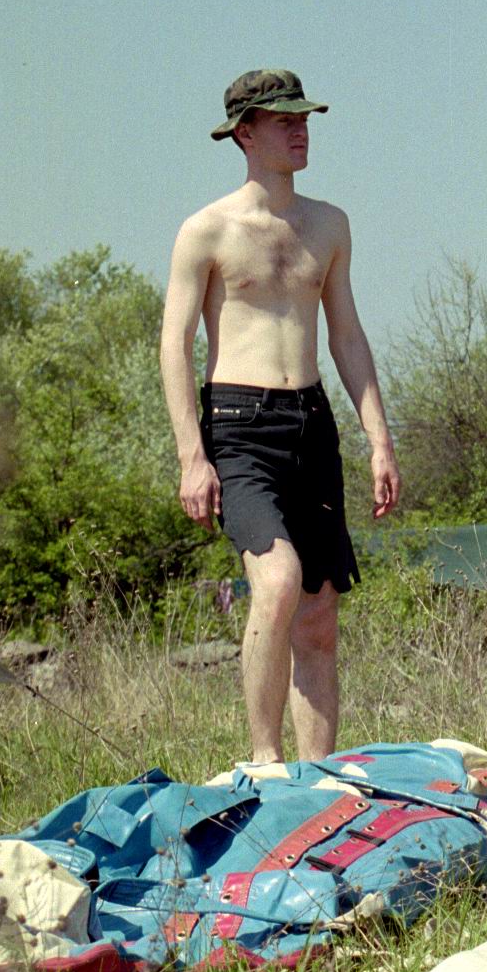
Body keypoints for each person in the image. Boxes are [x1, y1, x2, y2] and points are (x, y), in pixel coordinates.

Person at [160, 69, 400, 764]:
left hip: (311, 422)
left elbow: (346, 335)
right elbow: (174, 344)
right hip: (238, 426)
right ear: (245, 133)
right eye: (284, 120)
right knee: (278, 579)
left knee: (318, 613)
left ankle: (315, 778)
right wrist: (192, 457)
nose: (300, 130)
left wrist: (379, 440)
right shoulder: (206, 229)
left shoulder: (329, 225)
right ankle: (264, 763)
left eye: (305, 118)